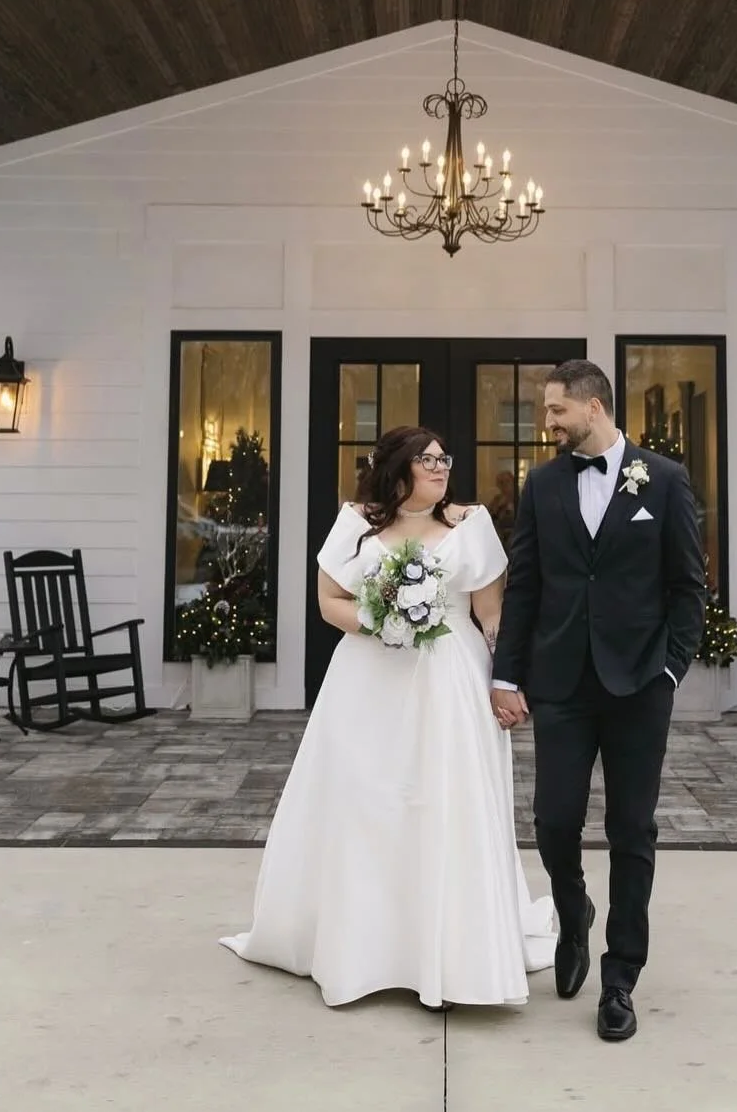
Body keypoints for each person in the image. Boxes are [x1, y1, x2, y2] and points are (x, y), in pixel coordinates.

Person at [221, 426, 556, 1008]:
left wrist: (509, 678)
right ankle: (364, 951)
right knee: (365, 804)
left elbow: (490, 612)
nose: (440, 467)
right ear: (396, 469)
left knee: (445, 801)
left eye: (444, 458)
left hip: (449, 676)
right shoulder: (356, 521)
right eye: (427, 459)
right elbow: (330, 603)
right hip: (367, 682)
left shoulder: (470, 523)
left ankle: (454, 954)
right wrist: (385, 622)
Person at [490, 360, 707, 1043]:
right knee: (553, 820)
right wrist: (506, 674)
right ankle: (572, 908)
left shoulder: (662, 479)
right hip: (560, 682)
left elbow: (687, 586)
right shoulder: (542, 483)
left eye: (555, 411)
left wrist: (670, 670)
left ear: (592, 406)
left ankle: (620, 979)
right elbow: (524, 584)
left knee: (631, 830)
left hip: (639, 685)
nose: (546, 423)